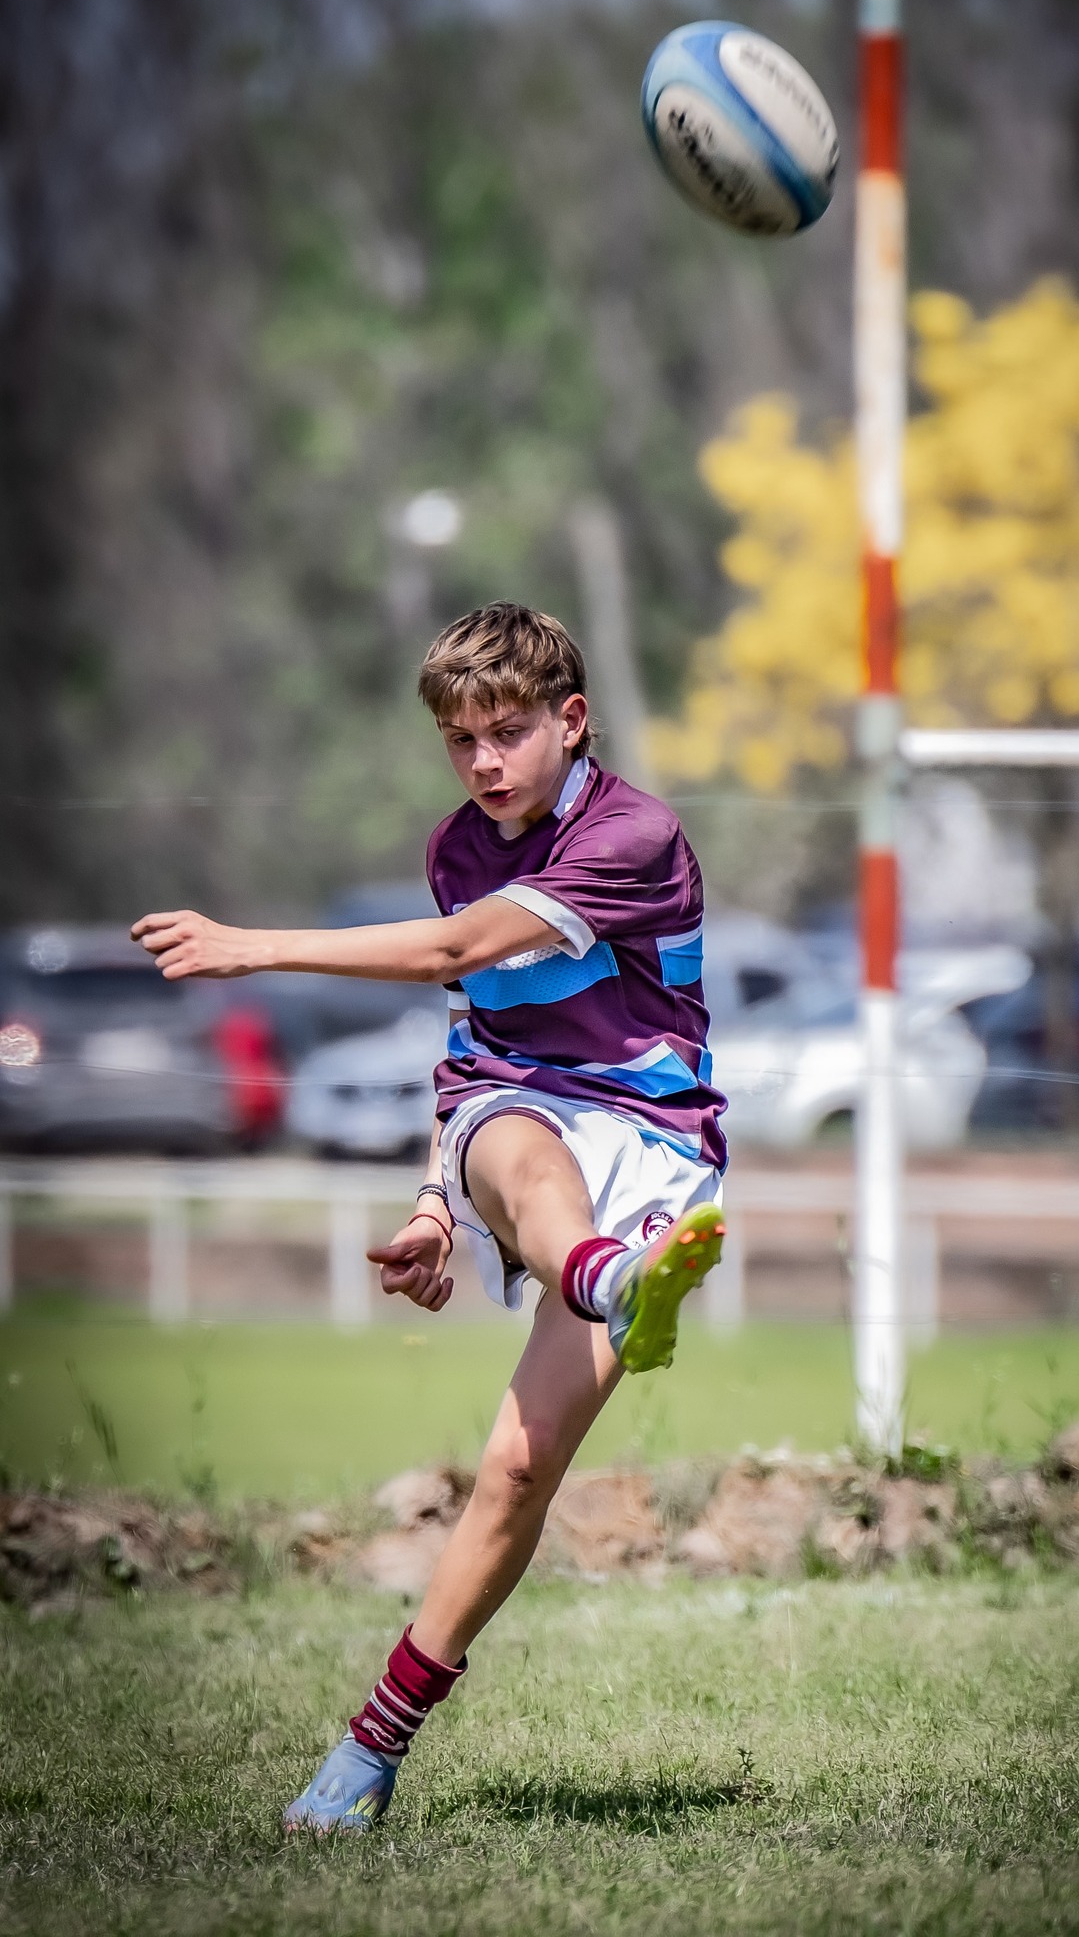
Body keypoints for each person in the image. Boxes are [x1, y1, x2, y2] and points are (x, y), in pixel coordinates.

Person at [131, 602, 727, 1833]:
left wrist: (253, 947)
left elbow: (457, 945)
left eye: (507, 732)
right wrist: (432, 1202)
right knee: (519, 1144)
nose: (483, 762)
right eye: (461, 740)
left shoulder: (635, 834)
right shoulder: (457, 841)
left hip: (658, 1143)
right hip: (525, 1123)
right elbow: (470, 1036)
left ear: (572, 719)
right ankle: (615, 1281)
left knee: (517, 1467)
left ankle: (610, 1272)